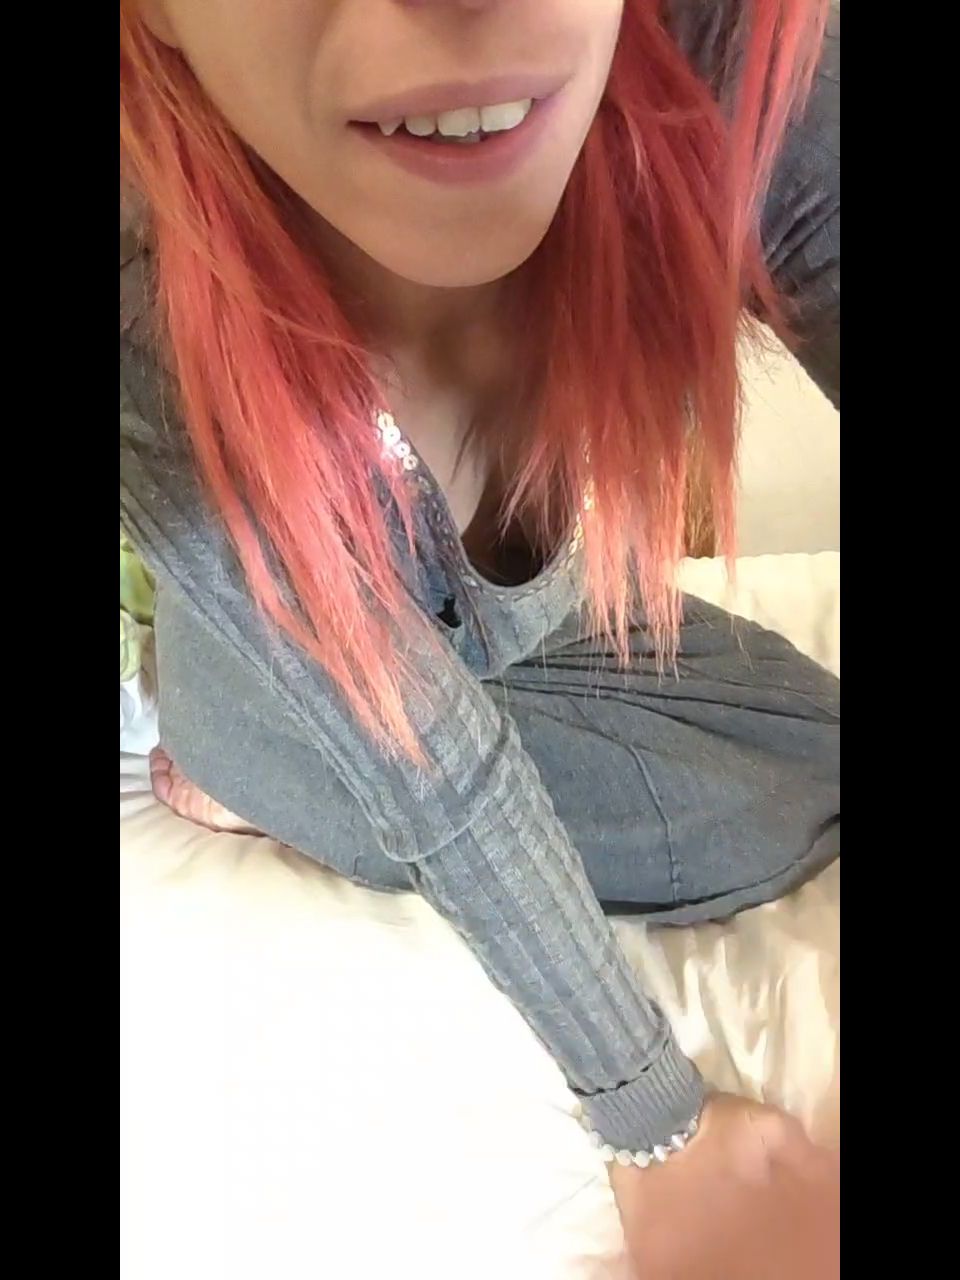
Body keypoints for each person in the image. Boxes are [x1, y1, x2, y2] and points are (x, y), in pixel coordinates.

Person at [120, 2, 840, 1275]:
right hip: (307, 716)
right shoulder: (146, 311)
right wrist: (660, 1129)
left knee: (816, 744)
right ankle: (240, 772)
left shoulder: (715, 43)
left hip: (510, 640)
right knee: (742, 830)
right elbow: (440, 777)